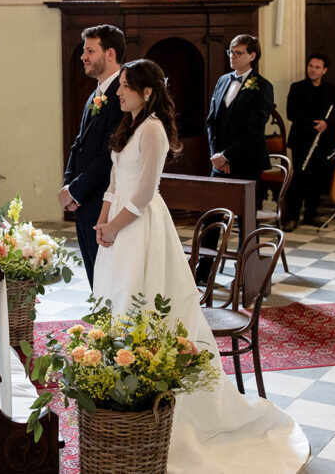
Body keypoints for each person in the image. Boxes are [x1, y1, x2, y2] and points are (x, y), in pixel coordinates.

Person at [91, 59, 308, 473]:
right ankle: (119, 397)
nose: (117, 92)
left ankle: (156, 406)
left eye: (125, 87)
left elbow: (145, 191)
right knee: (117, 305)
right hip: (117, 228)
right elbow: (115, 183)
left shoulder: (152, 128)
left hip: (139, 229)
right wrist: (103, 221)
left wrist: (115, 226)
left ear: (147, 92)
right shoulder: (128, 126)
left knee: (145, 308)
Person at [197, 34, 274, 284]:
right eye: (231, 51)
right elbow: (211, 122)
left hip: (248, 162)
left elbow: (254, 130)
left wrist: (227, 155)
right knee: (213, 216)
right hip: (219, 163)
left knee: (245, 220)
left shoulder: (263, 86)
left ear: (253, 55)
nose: (233, 56)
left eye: (238, 52)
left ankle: (246, 275)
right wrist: (215, 156)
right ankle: (204, 270)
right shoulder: (222, 81)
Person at [58, 24, 124, 289]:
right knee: (94, 274)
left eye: (89, 51)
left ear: (109, 53)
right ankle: (102, 323)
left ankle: (111, 325)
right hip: (85, 198)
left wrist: (75, 189)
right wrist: (68, 186)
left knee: (107, 275)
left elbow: (109, 155)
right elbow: (79, 144)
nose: (83, 56)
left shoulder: (122, 93)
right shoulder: (96, 93)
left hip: (105, 199)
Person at [284, 54, 335, 230]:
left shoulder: (331, 89)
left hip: (323, 141)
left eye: (317, 67)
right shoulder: (297, 88)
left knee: (317, 178)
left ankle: (311, 214)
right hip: (302, 139)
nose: (312, 70)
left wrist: (326, 124)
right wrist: (313, 124)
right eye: (310, 66)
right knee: (299, 178)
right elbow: (291, 113)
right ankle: (291, 217)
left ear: (324, 70)